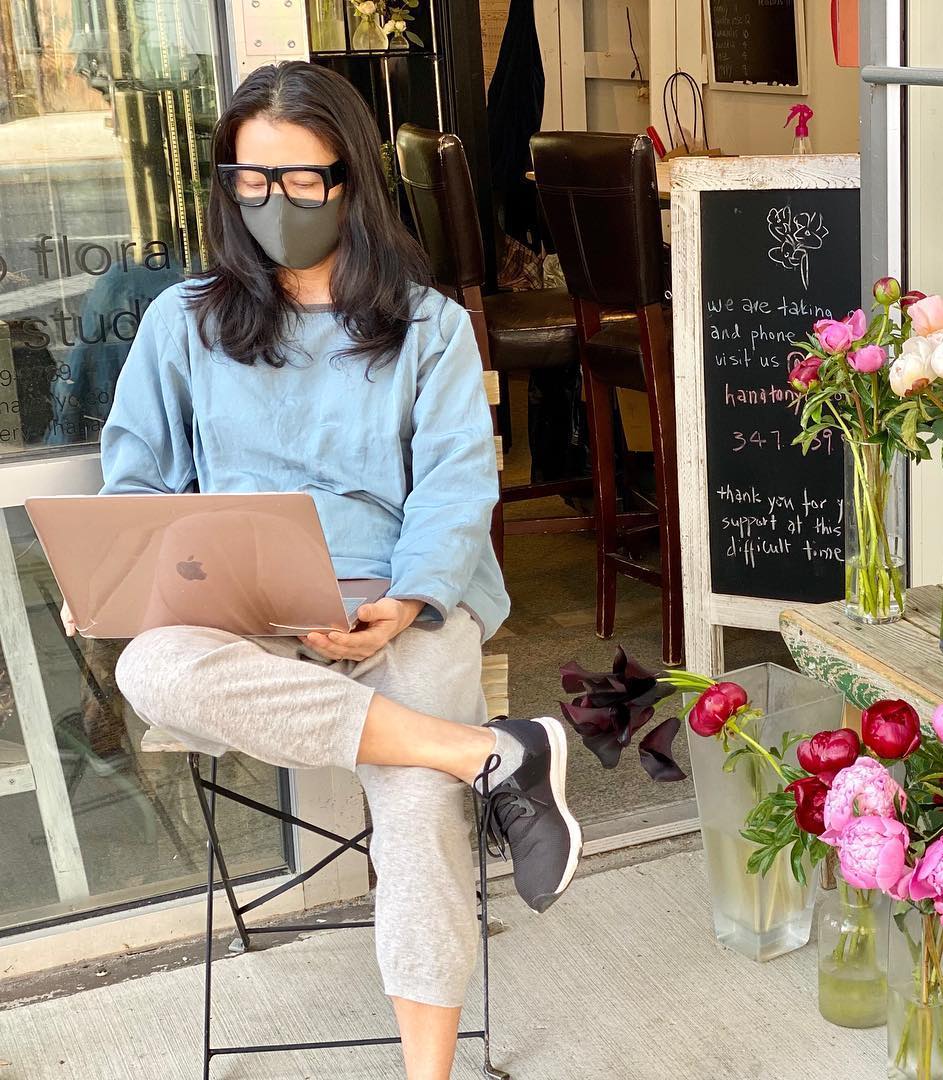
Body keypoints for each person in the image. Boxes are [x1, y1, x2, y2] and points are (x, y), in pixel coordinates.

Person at [81, 60, 580, 1080]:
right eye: (251, 183)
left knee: (413, 813)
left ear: (350, 180)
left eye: (302, 182)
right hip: (244, 620)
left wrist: (402, 600)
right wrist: (173, 571)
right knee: (148, 669)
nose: (275, 205)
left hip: (405, 605)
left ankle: (426, 1073)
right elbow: (133, 489)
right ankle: (485, 752)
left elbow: (455, 487)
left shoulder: (427, 327)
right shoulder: (184, 322)